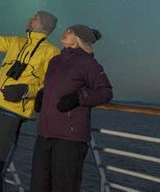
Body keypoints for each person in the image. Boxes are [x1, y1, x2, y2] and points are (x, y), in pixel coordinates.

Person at [0, 0, 60, 192]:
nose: (31, 19)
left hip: (11, 114)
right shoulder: (16, 42)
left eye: (36, 17)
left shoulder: (52, 52)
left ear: (44, 25)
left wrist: (25, 90)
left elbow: (51, 85)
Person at [30, 24, 113, 192]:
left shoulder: (89, 64)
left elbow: (105, 92)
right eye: (66, 30)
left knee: (64, 187)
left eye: (70, 31)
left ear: (79, 39)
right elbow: (55, 87)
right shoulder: (55, 61)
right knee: (38, 186)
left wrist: (78, 97)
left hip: (69, 138)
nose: (65, 32)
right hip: (45, 134)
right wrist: (42, 95)